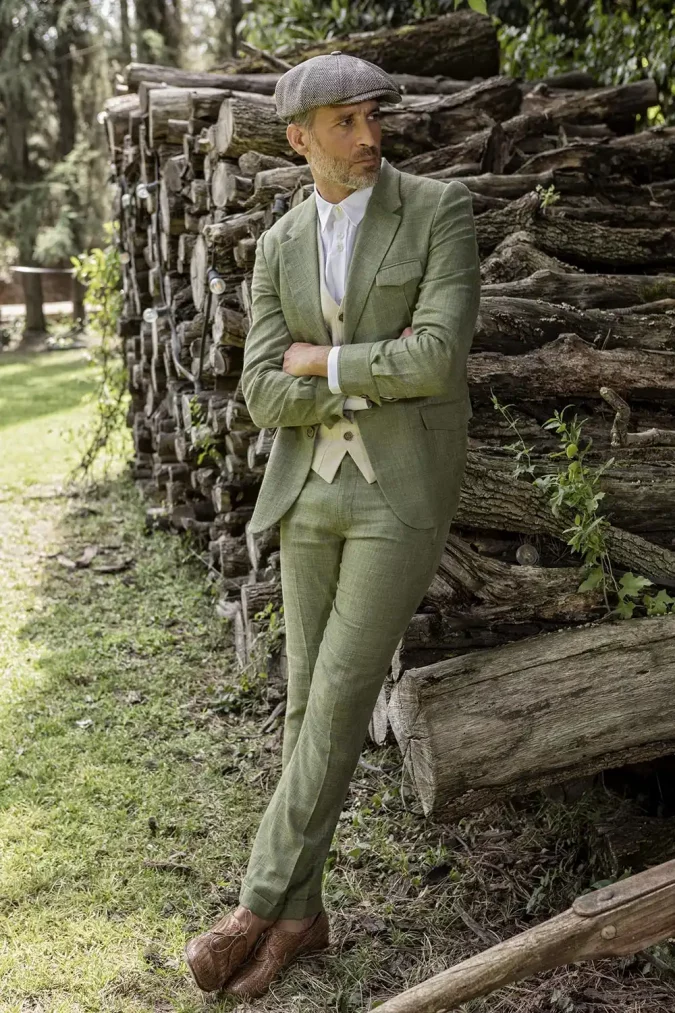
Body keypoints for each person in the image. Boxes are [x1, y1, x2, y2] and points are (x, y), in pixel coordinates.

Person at [184, 49, 481, 998]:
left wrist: (323, 361)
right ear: (298, 139)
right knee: (306, 701)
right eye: (345, 122)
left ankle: (254, 903)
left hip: (399, 492)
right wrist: (356, 370)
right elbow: (262, 391)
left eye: (372, 117)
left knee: (344, 692)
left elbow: (434, 359)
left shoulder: (437, 211)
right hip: (308, 492)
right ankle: (304, 918)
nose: (368, 136)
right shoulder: (278, 244)